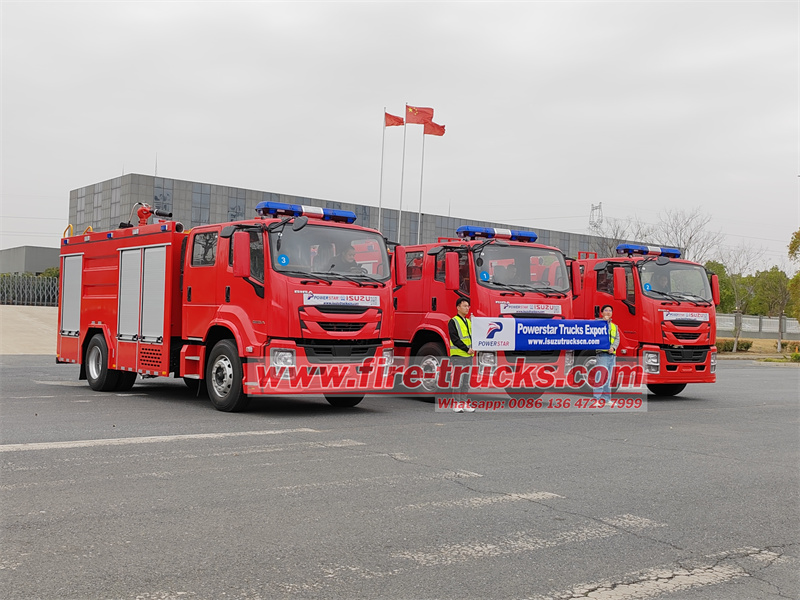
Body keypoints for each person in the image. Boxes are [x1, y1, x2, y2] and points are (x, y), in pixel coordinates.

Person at [448, 298, 475, 412]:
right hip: (458, 355)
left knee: (465, 381)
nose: (467, 308)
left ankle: (464, 403)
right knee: (458, 380)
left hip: (468, 356)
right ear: (458, 307)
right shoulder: (453, 321)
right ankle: (456, 404)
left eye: (468, 306)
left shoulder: (469, 321)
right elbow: (454, 339)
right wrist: (466, 349)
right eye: (464, 306)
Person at [593, 304, 619, 404]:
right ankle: (596, 399)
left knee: (608, 378)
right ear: (602, 312)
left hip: (612, 355)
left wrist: (613, 348)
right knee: (600, 376)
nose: (608, 312)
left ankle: (606, 399)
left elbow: (617, 339)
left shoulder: (614, 326)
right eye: (606, 310)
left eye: (610, 310)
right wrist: (604, 321)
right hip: (602, 354)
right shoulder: (598, 323)